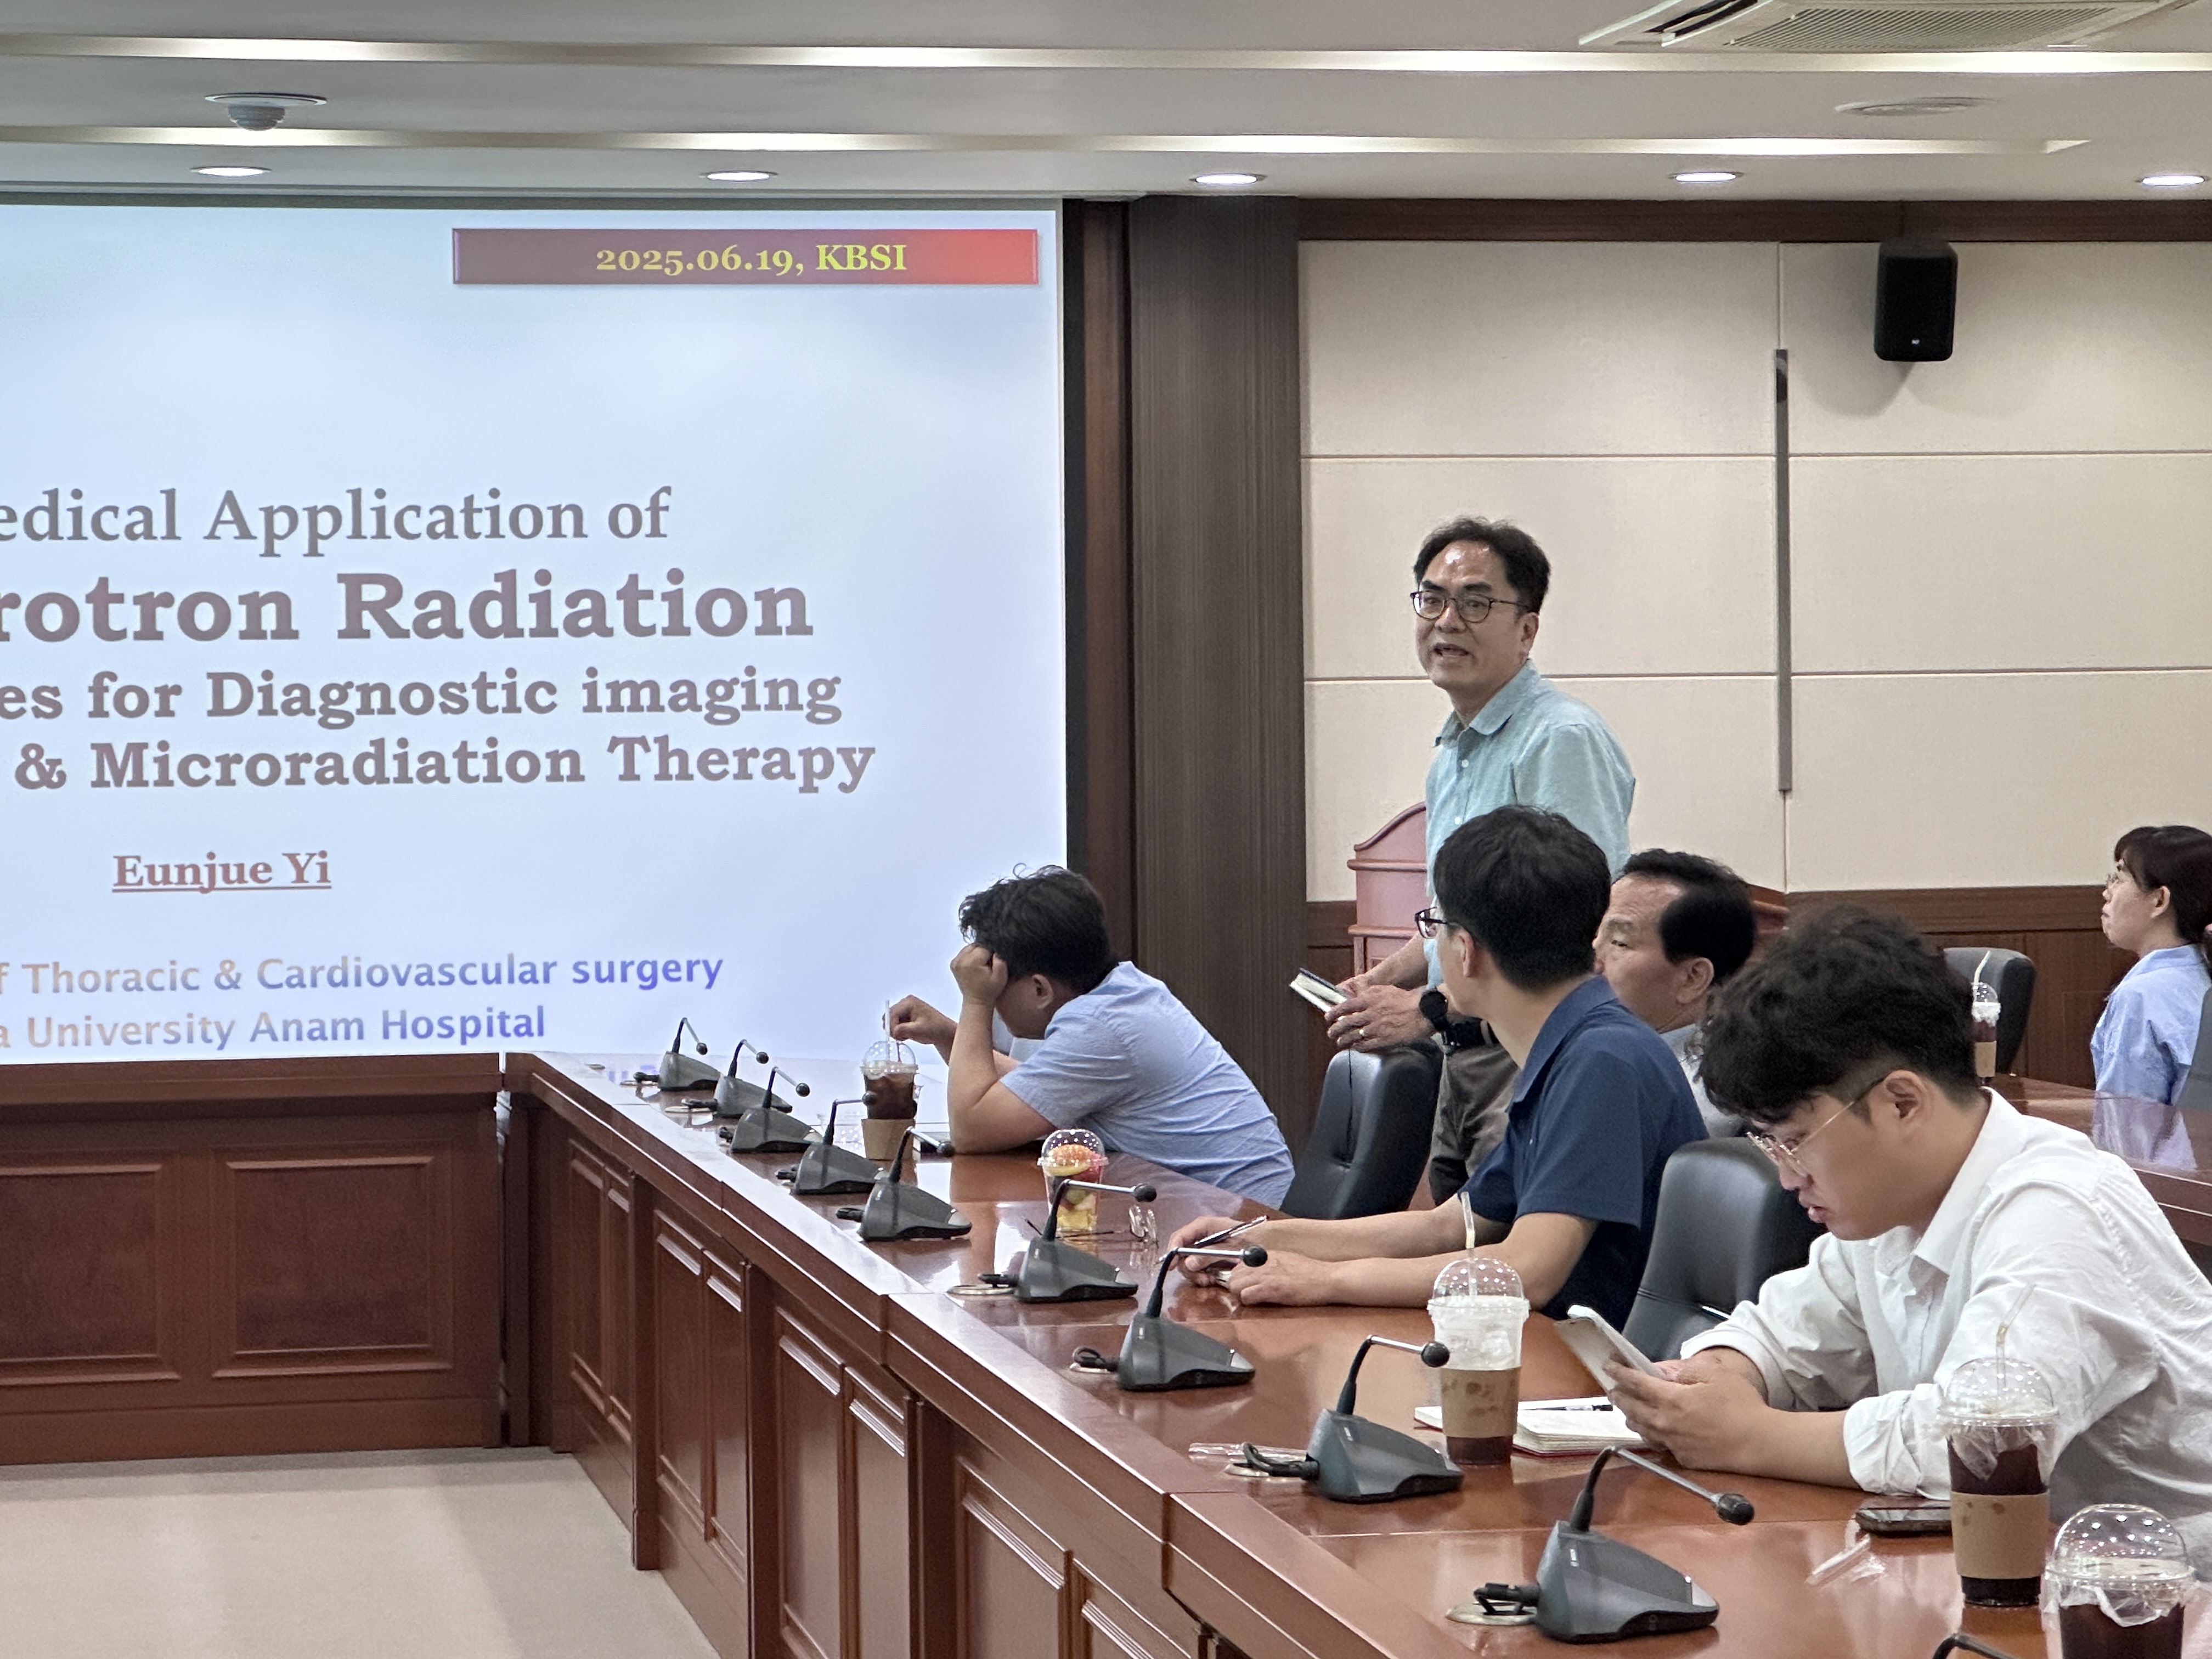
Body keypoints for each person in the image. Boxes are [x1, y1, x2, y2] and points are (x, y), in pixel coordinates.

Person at [1606, 907, 2212, 1566]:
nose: (1786, 1177)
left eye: (1794, 1141)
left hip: (2168, 1590)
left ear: (1902, 1102)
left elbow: (1977, 1445)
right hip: (2014, 1569)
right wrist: (1715, 1377)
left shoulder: (2058, 1210)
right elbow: (1786, 1334)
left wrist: (1749, 1436)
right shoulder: (1893, 1204)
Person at [1167, 807, 1701, 1322]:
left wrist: (1325, 1280)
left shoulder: (1602, 1061)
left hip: (1595, 1371)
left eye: (1434, 926)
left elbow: (1528, 1271)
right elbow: (1450, 1226)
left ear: (1465, 950)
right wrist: (1259, 1238)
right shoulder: (1573, 1043)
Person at [1323, 517, 1637, 1203]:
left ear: (1527, 629)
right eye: (1431, 599)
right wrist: (1384, 977)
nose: (1447, 621)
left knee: (1509, 1253)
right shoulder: (1451, 754)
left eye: (1475, 602)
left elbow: (1578, 925)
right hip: (1462, 1054)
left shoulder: (1560, 737)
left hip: (1528, 1055)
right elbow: (1461, 920)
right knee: (1460, 1245)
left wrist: (1428, 1010)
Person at [887, 866, 1294, 1204]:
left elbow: (972, 1131)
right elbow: (1031, 1092)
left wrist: (976, 1001)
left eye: (997, 988)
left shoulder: (1103, 1028)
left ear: (1040, 989)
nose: (994, 1001)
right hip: (1207, 1203)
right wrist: (948, 1035)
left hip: (1243, 1224)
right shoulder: (1121, 993)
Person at [1595, 849, 1758, 1137]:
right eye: (1594, 935)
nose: (1593, 957)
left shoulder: (1706, 1096)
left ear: (1693, 978)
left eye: (1619, 942)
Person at [2092, 824, 2212, 1105]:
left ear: (2159, 900)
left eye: (2119, 878)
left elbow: (2127, 1124)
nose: (2107, 892)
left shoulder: (2143, 996)